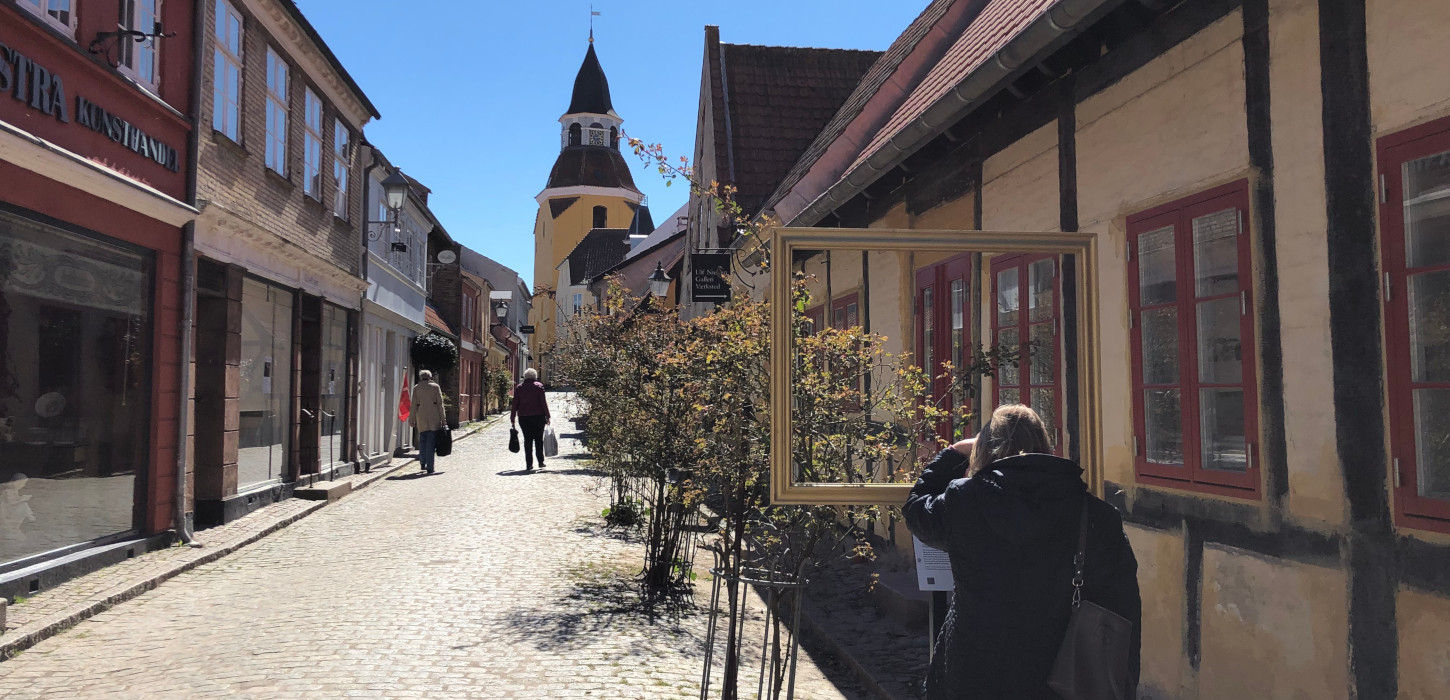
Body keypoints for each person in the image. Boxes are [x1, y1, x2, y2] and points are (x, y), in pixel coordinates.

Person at [903, 404, 1141, 700]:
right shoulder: (1096, 516)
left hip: (974, 675)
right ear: (1045, 447)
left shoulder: (965, 502)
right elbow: (1124, 611)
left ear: (986, 450)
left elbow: (916, 509)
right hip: (1061, 679)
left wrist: (953, 452)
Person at [510, 368, 551, 470]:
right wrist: (548, 416)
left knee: (527, 440)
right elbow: (543, 402)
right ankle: (540, 462)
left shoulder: (519, 388)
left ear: (525, 377)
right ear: (535, 377)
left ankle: (529, 464)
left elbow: (515, 403)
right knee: (538, 440)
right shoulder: (539, 387)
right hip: (539, 417)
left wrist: (512, 417)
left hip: (524, 417)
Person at [409, 369, 445, 474]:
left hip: (421, 418)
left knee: (423, 441)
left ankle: (422, 462)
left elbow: (413, 405)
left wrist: (411, 420)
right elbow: (440, 404)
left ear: (420, 377)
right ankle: (430, 467)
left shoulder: (417, 388)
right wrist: (443, 419)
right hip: (434, 418)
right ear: (430, 377)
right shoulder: (435, 387)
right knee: (431, 443)